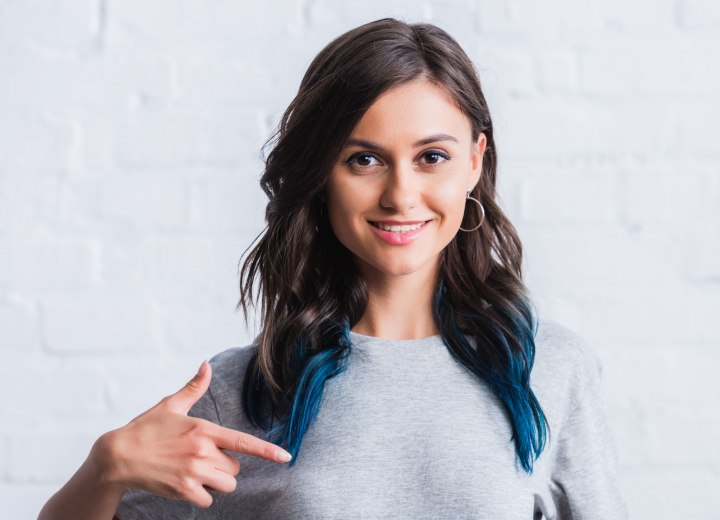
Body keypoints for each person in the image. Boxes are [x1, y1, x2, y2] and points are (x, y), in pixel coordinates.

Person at [38, 18, 627, 520]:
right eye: (364, 159)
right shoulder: (242, 391)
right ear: (323, 175)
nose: (401, 194)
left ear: (475, 160)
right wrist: (106, 467)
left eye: (432, 157)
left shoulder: (554, 370)